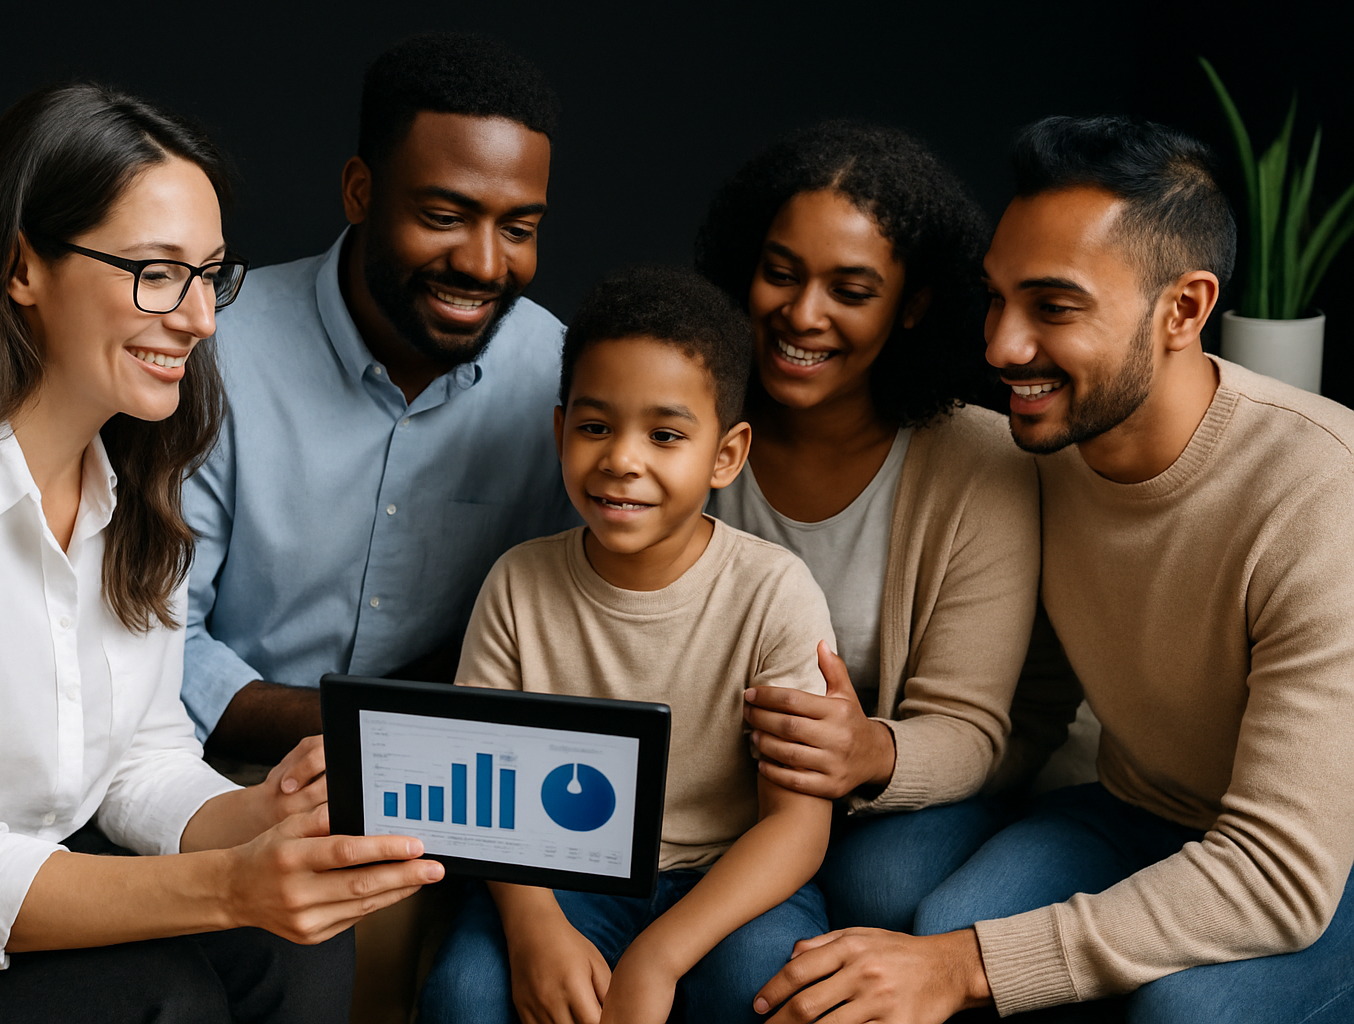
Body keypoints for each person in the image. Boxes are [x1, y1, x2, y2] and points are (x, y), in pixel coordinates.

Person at [0, 83, 441, 1024]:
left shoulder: (138, 480)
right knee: (166, 996)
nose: (201, 319)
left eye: (211, 275)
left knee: (300, 951)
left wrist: (266, 815)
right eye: (157, 272)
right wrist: (234, 885)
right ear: (21, 266)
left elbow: (140, 760)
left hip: (51, 859)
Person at [754, 116, 1354, 1024]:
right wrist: (883, 754)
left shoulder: (1319, 492)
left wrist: (960, 967)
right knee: (907, 894)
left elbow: (1279, 868)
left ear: (1185, 310)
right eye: (996, 299)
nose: (1000, 348)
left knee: (1183, 1014)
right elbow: (1028, 714)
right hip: (1138, 807)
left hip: (1319, 858)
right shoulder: (1044, 452)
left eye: (1054, 307)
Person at [418, 266, 835, 1024]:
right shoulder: (518, 585)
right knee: (466, 995)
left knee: (764, 992)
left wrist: (657, 956)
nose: (621, 460)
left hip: (724, 876)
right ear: (560, 430)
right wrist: (535, 923)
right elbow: (478, 796)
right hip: (557, 874)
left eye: (666, 435)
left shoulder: (774, 591)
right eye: (595, 426)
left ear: (727, 454)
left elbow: (797, 825)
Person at [696, 120, 1063, 935]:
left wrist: (869, 753)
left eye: (851, 292)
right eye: (780, 274)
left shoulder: (980, 464)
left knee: (885, 880)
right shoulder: (684, 422)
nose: (802, 314)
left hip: (895, 789)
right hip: (704, 789)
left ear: (913, 305)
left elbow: (970, 726)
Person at [182, 31, 576, 765]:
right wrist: (384, 728)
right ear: (360, 191)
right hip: (220, 771)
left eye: (518, 228)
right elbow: (159, 644)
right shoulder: (212, 350)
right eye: (445, 216)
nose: (485, 264)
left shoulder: (561, 378)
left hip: (460, 776)